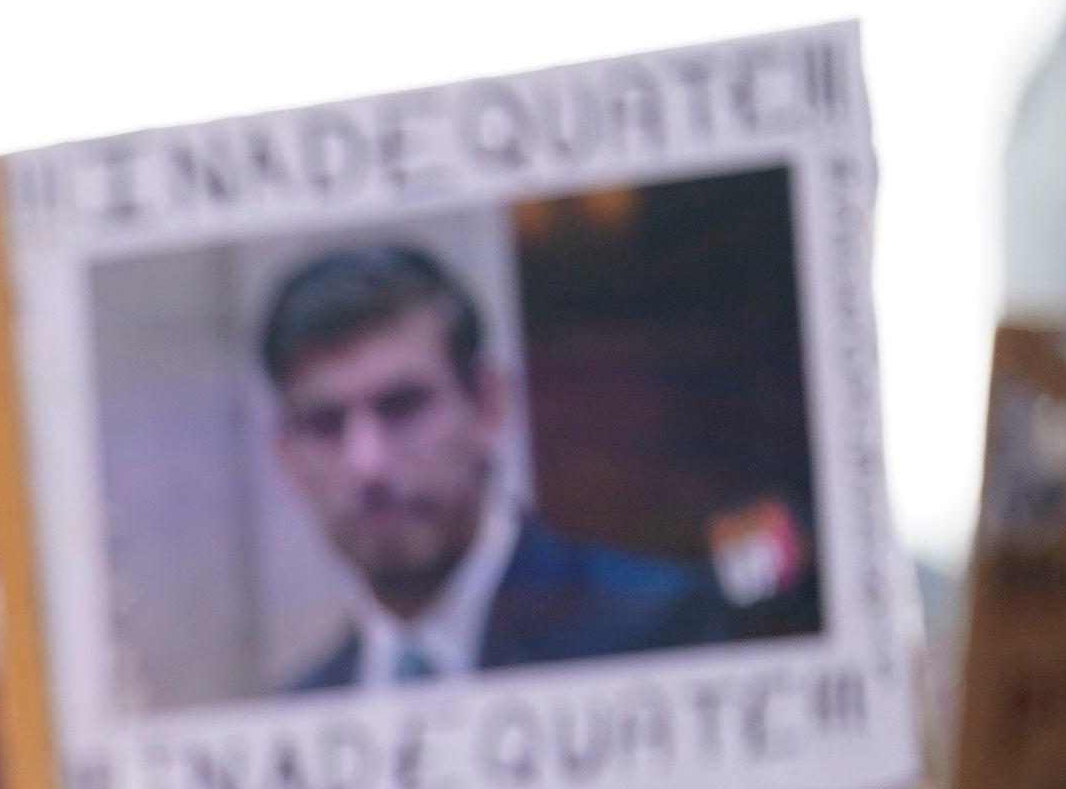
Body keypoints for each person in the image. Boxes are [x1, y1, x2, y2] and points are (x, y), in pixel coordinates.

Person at [265, 244, 734, 694]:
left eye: (402, 407)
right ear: (287, 456)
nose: (369, 464)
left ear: (488, 407)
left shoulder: (652, 630)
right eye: (325, 424)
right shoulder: (297, 713)